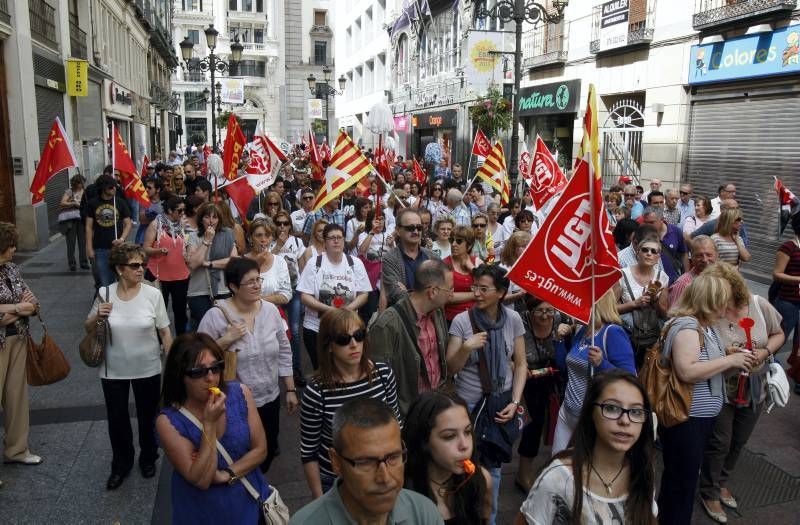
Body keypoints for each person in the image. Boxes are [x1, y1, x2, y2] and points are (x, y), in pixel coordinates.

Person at [656, 273, 757, 525]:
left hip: (697, 417)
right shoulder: (687, 327)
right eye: (723, 301)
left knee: (682, 479)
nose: (728, 307)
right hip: (687, 417)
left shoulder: (703, 325)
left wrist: (728, 355)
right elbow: (686, 371)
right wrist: (729, 360)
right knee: (682, 482)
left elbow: (702, 361)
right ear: (710, 300)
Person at [699, 263, 785, 523]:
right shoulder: (712, 311)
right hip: (723, 384)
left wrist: (765, 351)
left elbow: (778, 334)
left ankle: (721, 480)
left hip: (755, 384)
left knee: (740, 440)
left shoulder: (758, 304)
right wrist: (727, 357)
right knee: (720, 441)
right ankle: (709, 490)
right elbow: (701, 349)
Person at [156, 333, 271, 524]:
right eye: (198, 372)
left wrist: (226, 474)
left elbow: (261, 450)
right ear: (180, 376)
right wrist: (208, 425)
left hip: (250, 502)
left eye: (216, 367)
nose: (210, 378)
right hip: (203, 513)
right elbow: (200, 479)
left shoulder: (240, 393)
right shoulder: (168, 421)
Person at [518, 370, 658, 525]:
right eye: (611, 408)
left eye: (636, 411)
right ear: (591, 412)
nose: (625, 420)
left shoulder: (642, 471)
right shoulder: (559, 477)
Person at [86, 243, 173, 489]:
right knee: (117, 419)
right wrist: (96, 316)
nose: (141, 269)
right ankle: (121, 464)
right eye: (135, 265)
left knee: (148, 417)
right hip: (112, 370)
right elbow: (88, 328)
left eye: (143, 264)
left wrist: (172, 361)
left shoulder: (152, 294)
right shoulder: (105, 292)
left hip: (148, 367)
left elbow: (165, 332)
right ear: (119, 269)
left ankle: (148, 458)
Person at [198, 257, 297, 473]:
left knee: (268, 449)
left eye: (258, 280)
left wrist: (290, 388)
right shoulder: (215, 316)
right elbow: (197, 357)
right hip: (234, 401)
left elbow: (284, 350)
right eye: (250, 281)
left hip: (270, 397)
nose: (257, 285)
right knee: (240, 452)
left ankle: (256, 485)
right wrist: (225, 339)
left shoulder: (270, 310)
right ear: (233, 286)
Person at [446, 264, 527, 525]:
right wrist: (466, 348)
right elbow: (451, 367)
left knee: (493, 470)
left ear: (501, 292)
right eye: (474, 287)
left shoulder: (513, 319)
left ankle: (488, 520)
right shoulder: (462, 321)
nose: (477, 293)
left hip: (500, 404)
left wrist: (515, 401)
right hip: (468, 404)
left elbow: (521, 363)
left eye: (484, 288)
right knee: (462, 466)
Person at [290, 397, 442, 524]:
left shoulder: (423, 514)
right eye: (366, 462)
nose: (385, 478)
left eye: (393, 457)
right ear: (336, 462)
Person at [300, 309, 402, 497]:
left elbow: (397, 428)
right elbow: (309, 451)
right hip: (337, 482)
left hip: (382, 474)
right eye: (343, 339)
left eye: (359, 335)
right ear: (329, 345)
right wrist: (318, 497)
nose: (354, 344)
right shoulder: (317, 391)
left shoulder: (384, 374)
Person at [553, 290, 636, 454]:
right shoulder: (582, 331)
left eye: (581, 301)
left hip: (591, 417)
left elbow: (631, 378)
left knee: (583, 471)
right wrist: (559, 341)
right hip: (567, 411)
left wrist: (601, 363)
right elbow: (564, 368)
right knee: (556, 465)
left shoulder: (612, 332)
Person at [370, 260, 452, 415]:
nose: (452, 295)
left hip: (433, 409)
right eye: (449, 290)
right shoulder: (387, 325)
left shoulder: (438, 313)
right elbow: (377, 383)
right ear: (433, 291)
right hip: (407, 415)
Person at [403, 391, 493, 524]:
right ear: (424, 441)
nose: (464, 445)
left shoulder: (481, 480)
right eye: (449, 436)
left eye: (467, 432)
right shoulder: (403, 494)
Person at [0, 222, 42, 483]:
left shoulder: (13, 269)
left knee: (17, 398)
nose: (14, 249)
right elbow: (24, 304)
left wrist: (11, 310)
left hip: (18, 339)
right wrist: (20, 307)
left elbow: (34, 302)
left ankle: (16, 450)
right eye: (9, 245)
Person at [515, 296, 571, 491]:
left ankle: (554, 473)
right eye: (539, 311)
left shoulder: (560, 320)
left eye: (550, 310)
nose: (545, 315)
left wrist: (560, 339)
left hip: (554, 380)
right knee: (533, 427)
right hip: (527, 381)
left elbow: (565, 360)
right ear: (530, 311)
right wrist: (518, 367)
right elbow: (510, 355)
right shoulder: (519, 322)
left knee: (556, 426)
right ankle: (523, 474)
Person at [297, 223, 371, 370]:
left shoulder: (355, 263)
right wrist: (328, 309)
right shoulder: (314, 263)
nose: (336, 241)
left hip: (347, 329)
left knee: (345, 369)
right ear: (324, 242)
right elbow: (305, 296)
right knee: (322, 370)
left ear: (344, 240)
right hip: (316, 329)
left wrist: (347, 309)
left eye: (339, 237)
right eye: (331, 238)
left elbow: (364, 294)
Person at [616, 235, 669, 367]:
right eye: (645, 250)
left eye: (653, 251)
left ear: (658, 257)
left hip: (653, 337)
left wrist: (655, 302)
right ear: (637, 253)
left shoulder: (662, 277)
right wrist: (635, 304)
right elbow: (610, 309)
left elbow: (664, 314)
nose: (649, 254)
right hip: (627, 336)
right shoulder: (622, 275)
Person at [143, 195, 191, 335]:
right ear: (170, 210)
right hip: (159, 276)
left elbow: (186, 244)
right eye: (180, 210)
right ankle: (160, 341)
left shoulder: (182, 224)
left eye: (184, 210)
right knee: (158, 312)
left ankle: (181, 341)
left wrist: (188, 253)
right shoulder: (156, 224)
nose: (183, 213)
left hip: (180, 275)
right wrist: (158, 250)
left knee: (180, 311)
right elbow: (145, 248)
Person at [185, 203, 238, 327]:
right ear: (201, 218)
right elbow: (193, 263)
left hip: (223, 290)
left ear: (219, 220)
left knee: (223, 328)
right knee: (204, 329)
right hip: (199, 292)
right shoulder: (194, 236)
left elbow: (233, 261)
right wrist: (206, 241)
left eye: (215, 217)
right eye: (207, 217)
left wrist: (208, 264)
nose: (211, 221)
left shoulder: (228, 235)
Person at [270, 209, 307, 385]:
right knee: (277, 332)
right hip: (275, 294)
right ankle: (278, 372)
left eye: (286, 223)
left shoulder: (297, 242)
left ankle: (296, 370)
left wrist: (303, 289)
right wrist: (278, 244)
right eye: (279, 224)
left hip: (294, 291)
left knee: (294, 331)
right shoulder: (268, 241)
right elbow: (266, 261)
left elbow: (302, 267)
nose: (282, 227)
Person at [380, 208, 437, 307]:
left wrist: (407, 292)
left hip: (431, 318)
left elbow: (442, 293)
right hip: (402, 319)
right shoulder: (389, 259)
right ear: (398, 230)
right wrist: (429, 292)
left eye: (419, 227)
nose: (416, 231)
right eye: (410, 228)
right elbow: (396, 294)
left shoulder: (432, 257)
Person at [85, 174, 133, 287]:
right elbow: (88, 227)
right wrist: (89, 248)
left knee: (124, 280)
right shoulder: (93, 203)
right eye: (111, 187)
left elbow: (128, 223)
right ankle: (105, 302)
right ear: (103, 188)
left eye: (115, 186)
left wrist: (122, 239)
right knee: (105, 282)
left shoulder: (120, 202)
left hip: (119, 249)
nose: (114, 189)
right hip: (100, 249)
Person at [772, 212, 800, 394]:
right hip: (788, 301)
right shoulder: (789, 247)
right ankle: (766, 367)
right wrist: (798, 279)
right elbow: (777, 274)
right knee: (780, 338)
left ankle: (798, 378)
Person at [244, 220, 291, 307]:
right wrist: (256, 266)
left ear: (272, 238)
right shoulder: (240, 262)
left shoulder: (280, 262)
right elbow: (238, 294)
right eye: (258, 235)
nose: (263, 240)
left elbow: (286, 295)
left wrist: (260, 300)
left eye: (267, 235)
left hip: (272, 315)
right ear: (250, 238)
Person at [357, 210, 394, 319]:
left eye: (382, 218)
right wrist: (372, 232)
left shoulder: (388, 235)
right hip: (370, 279)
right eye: (376, 219)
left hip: (385, 278)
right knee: (369, 311)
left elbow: (395, 256)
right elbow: (362, 251)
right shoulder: (364, 235)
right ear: (370, 221)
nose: (380, 221)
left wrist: (392, 245)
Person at [640, 206, 688, 283]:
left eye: (652, 222)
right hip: (651, 283)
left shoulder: (675, 231)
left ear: (662, 219)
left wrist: (686, 277)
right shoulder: (642, 234)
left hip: (673, 281)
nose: (648, 226)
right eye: (645, 222)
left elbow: (684, 253)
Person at [668, 235, 718, 308]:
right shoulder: (684, 284)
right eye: (699, 256)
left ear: (716, 255)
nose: (704, 259)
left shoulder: (722, 279)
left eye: (709, 255)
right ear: (692, 257)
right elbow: (675, 315)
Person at [443, 225, 480, 323]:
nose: (453, 244)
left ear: (470, 245)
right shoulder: (444, 264)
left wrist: (472, 269)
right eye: (451, 240)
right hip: (452, 319)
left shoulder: (477, 262)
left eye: (459, 241)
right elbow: (447, 297)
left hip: (476, 317)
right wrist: (475, 294)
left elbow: (487, 289)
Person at [58, 174, 89, 271]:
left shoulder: (85, 191)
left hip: (82, 219)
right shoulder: (69, 191)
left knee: (82, 241)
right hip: (71, 220)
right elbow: (62, 202)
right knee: (71, 242)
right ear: (76, 183)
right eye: (80, 183)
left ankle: (84, 262)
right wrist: (74, 203)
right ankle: (72, 263)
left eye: (83, 182)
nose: (82, 184)